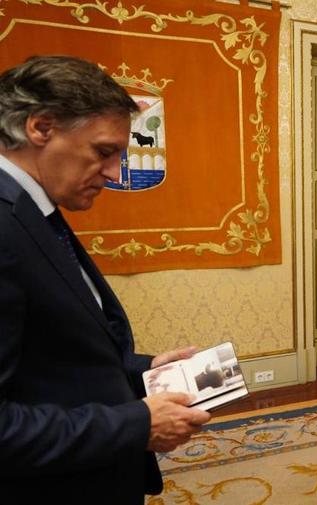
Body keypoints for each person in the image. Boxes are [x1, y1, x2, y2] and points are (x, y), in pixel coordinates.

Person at [0, 55, 212, 504]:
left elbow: (52, 357)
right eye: (103, 152)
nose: (116, 174)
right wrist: (137, 424)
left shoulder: (31, 210)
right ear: (41, 128)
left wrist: (143, 371)